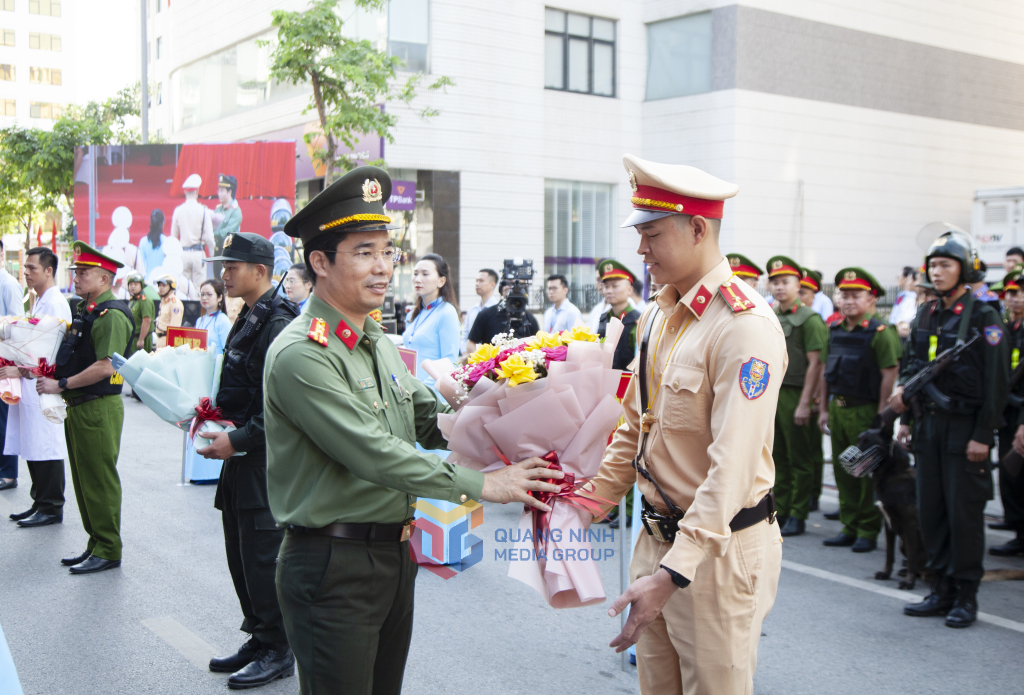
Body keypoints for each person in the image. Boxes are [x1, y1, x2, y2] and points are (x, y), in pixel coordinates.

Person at [264, 165, 564, 695]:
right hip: (332, 565)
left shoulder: (375, 339)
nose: (382, 268)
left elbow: (429, 419)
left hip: (393, 556)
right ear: (319, 261)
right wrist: (485, 484)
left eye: (387, 252)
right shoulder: (300, 353)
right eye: (364, 252)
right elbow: (374, 452)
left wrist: (518, 418)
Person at [588, 155, 784, 695]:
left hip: (717, 553)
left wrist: (674, 573)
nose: (640, 249)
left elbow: (732, 469)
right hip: (655, 538)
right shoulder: (656, 313)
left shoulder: (744, 328)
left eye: (651, 234)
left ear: (697, 228)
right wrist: (590, 503)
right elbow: (635, 425)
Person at [196, 233, 300, 688]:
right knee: (239, 552)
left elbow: (284, 411)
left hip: (263, 462)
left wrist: (235, 439)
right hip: (240, 455)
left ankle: (279, 648)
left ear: (260, 270)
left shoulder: (279, 322)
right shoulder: (250, 314)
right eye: (224, 265)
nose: (225, 273)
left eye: (232, 266)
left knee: (262, 557)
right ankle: (259, 635)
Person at [892, 231, 1008, 628]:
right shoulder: (926, 313)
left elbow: (996, 383)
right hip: (927, 428)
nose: (937, 272)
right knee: (931, 511)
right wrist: (906, 418)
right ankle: (939, 587)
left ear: (965, 268)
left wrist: (983, 434)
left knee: (964, 516)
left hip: (964, 431)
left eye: (946, 265)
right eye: (934, 265)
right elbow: (911, 370)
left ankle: (965, 594)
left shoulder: (984, 316)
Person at [42, 242, 134, 575]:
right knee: (83, 481)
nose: (77, 278)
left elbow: (107, 366)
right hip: (81, 406)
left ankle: (109, 548)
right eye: (76, 272)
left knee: (99, 479)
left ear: (105, 278)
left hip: (98, 406)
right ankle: (96, 543)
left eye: (84, 273)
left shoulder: (112, 314)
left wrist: (61, 385)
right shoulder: (89, 309)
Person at [817, 268, 901, 551]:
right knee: (844, 470)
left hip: (866, 411)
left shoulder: (881, 332)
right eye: (844, 294)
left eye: (856, 295)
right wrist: (825, 409)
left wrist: (881, 416)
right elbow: (825, 372)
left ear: (872, 299)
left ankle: (867, 528)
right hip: (839, 409)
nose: (848, 300)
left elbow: (889, 374)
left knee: (865, 471)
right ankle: (849, 525)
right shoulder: (835, 330)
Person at [4, 247, 71, 527]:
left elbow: (50, 354)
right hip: (33, 383)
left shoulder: (55, 303)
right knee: (33, 443)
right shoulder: (40, 299)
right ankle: (39, 501)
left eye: (32, 268)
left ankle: (52, 506)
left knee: (47, 445)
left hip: (44, 383)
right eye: (26, 267)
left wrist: (19, 369)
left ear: (48, 271)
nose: (26, 272)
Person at [766, 256, 827, 537]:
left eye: (785, 282)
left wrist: (806, 402)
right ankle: (781, 508)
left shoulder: (810, 319)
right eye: (775, 282)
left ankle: (799, 513)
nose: (780, 288)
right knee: (775, 456)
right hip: (772, 392)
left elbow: (817, 363)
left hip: (796, 391)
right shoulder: (770, 316)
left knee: (799, 458)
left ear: (797, 285)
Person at [990, 268, 1024, 556]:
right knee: (1009, 472)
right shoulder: (1006, 328)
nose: (1015, 298)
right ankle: (1017, 526)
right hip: (1007, 409)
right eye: (1012, 292)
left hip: (1021, 412)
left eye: (1021, 292)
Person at [403, 254, 460, 387]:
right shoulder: (413, 314)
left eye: (425, 274)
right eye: (415, 274)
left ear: (441, 281)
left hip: (431, 396)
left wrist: (423, 392)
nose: (417, 279)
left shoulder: (447, 312)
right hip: (409, 391)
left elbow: (450, 362)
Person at [798, 267, 828, 511]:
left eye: (805, 292)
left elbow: (818, 363)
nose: (800, 296)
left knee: (810, 448)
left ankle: (812, 493)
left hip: (810, 390)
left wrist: (817, 397)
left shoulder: (814, 319)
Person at [0, 238, 23, 492]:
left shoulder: (8, 284)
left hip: (4, 363)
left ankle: (8, 473)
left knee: (3, 421)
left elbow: (18, 325)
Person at [170, 173, 215, 298]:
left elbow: (173, 238)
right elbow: (210, 238)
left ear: (185, 191)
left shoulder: (178, 211)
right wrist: (211, 255)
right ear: (197, 191)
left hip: (183, 254)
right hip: (198, 254)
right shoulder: (203, 210)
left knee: (184, 290)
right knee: (200, 290)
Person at [466, 278, 540, 347]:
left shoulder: (530, 319)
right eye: (509, 283)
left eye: (520, 285)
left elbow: (538, 345)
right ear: (501, 288)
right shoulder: (486, 314)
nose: (514, 288)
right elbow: (471, 344)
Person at [596, 260, 641, 371]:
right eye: (606, 286)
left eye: (615, 286)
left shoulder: (637, 320)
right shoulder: (604, 318)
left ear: (630, 290)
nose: (609, 291)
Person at [212, 174, 243, 279]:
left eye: (222, 191)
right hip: (217, 251)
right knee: (217, 281)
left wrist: (211, 233)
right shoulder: (218, 209)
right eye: (218, 190)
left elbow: (225, 232)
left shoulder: (235, 211)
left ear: (230, 191)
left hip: (229, 254)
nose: (219, 194)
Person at [462, 268, 499, 353]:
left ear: (492, 284)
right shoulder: (472, 310)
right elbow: (465, 336)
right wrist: (465, 354)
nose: (477, 284)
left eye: (481, 281)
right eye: (476, 280)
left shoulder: (497, 311)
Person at [196, 279, 233, 356]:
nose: (204, 298)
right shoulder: (199, 320)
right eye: (202, 294)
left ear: (219, 297)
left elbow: (228, 351)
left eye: (209, 294)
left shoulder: (223, 320)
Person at [125, 272, 155, 357]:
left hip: (141, 338)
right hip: (133, 338)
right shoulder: (133, 300)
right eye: (130, 284)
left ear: (141, 285)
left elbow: (146, 321)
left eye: (136, 284)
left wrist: (141, 340)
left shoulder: (144, 300)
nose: (133, 286)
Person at [154, 275, 184, 348]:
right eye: (159, 285)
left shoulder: (174, 303)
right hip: (160, 340)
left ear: (171, 287)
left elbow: (174, 329)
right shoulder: (164, 302)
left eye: (164, 285)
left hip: (167, 344)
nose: (161, 288)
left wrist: (170, 348)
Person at [138, 209, 167, 275]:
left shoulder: (143, 241)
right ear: (163, 223)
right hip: (163, 281)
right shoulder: (167, 241)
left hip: (148, 279)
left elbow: (140, 264)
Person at [587, 263, 610, 332]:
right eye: (598, 279)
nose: (601, 283)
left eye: (604, 279)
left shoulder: (624, 305)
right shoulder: (596, 309)